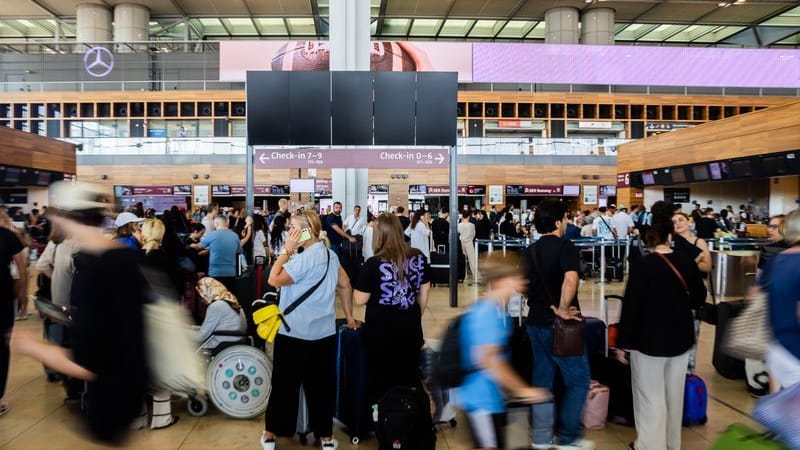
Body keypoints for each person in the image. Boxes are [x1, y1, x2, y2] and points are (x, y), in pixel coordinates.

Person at [12, 181, 147, 443]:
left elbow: (88, 361)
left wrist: (34, 347)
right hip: (132, 387)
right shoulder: (124, 258)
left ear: (64, 218)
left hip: (109, 398)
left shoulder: (92, 269)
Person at [260, 210, 357, 450]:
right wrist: (350, 316)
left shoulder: (302, 259)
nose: (289, 231)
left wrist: (286, 250)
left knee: (284, 385)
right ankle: (325, 436)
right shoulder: (330, 255)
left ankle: (271, 433)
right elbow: (345, 284)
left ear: (307, 230)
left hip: (293, 333)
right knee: (321, 387)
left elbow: (273, 279)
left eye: (293, 227)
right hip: (324, 334)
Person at [616, 219, 707, 450]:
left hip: (647, 341)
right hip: (681, 338)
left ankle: (649, 445)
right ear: (670, 237)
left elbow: (631, 307)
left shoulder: (642, 266)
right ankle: (671, 444)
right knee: (674, 395)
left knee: (649, 396)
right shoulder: (686, 262)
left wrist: (622, 344)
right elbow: (698, 298)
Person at [457, 251, 551, 450]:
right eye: (516, 276)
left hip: (491, 399)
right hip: (480, 401)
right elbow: (490, 362)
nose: (522, 279)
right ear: (501, 280)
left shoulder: (498, 311)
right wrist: (523, 390)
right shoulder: (487, 314)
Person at [522, 200, 592, 450]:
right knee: (579, 380)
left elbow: (522, 286)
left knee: (542, 380)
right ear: (557, 221)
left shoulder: (529, 250)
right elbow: (571, 279)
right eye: (565, 218)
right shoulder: (565, 246)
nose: (567, 222)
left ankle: (541, 437)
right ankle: (568, 436)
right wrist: (562, 309)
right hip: (561, 328)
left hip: (535, 323)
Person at [354, 213, 430, 402]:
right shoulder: (418, 257)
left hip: (380, 331)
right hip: (411, 328)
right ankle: (410, 417)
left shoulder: (373, 263)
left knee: (381, 381)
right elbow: (425, 291)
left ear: (379, 235)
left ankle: (385, 420)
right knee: (409, 376)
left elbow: (360, 299)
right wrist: (414, 315)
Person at [763, 209, 800, 390]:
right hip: (796, 350)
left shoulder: (775, 260)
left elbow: (758, 295)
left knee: (779, 408)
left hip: (776, 347)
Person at [671, 211, 712, 373]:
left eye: (681, 220)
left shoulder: (698, 242)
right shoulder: (671, 243)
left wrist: (686, 263)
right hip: (675, 292)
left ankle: (689, 370)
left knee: (692, 332)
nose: (678, 223)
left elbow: (707, 266)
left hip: (694, 292)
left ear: (689, 222)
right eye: (674, 221)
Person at [0, 209, 27, 416]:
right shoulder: (8, 236)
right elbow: (22, 267)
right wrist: (22, 295)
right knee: (1, 348)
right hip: (2, 300)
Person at [193, 277, 247, 350]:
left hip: (221, 344)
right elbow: (211, 327)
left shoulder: (216, 306)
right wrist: (191, 328)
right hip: (235, 340)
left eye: (202, 295)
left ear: (207, 291)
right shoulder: (230, 300)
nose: (202, 300)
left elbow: (201, 336)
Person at [193, 215, 242, 291]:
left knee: (215, 297)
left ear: (216, 223)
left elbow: (199, 247)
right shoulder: (235, 236)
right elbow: (238, 251)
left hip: (215, 272)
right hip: (231, 272)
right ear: (227, 223)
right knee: (229, 297)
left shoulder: (211, 235)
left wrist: (190, 244)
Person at [458, 210, 479, 284]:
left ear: (463, 217)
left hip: (461, 243)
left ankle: (464, 275)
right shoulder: (472, 225)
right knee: (472, 260)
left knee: (463, 260)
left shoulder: (459, 224)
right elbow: (473, 234)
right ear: (469, 217)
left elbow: (458, 233)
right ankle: (475, 276)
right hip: (469, 243)